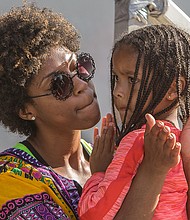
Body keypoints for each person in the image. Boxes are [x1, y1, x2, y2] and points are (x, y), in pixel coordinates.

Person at [78, 24, 190, 219]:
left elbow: (93, 214)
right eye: (116, 78)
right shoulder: (180, 142)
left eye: (131, 80)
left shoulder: (139, 141)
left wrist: (98, 172)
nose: (117, 92)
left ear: (174, 88)